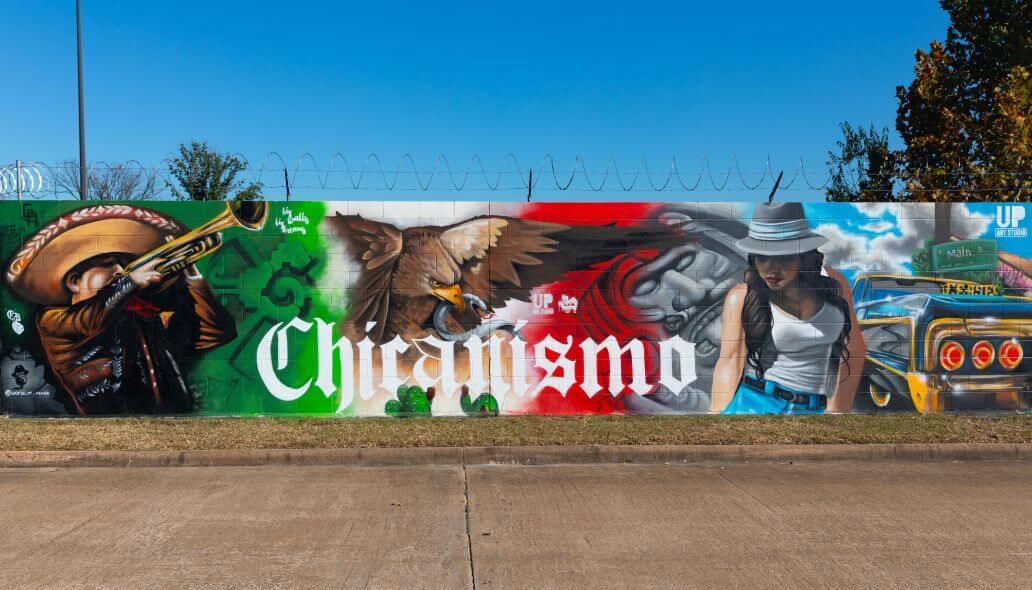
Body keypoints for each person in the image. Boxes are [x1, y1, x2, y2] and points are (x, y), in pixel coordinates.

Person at [5, 205, 236, 415]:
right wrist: (130, 282)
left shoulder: (144, 318)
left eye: (123, 264)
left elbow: (216, 331)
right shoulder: (51, 320)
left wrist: (192, 275)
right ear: (74, 281)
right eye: (107, 263)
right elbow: (91, 319)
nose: (119, 270)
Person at [710, 203, 865, 414]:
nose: (771, 269)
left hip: (813, 410)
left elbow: (854, 348)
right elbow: (730, 360)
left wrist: (838, 408)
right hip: (754, 405)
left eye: (784, 256)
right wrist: (716, 417)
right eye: (762, 257)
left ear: (803, 255)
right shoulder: (742, 296)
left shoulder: (833, 284)